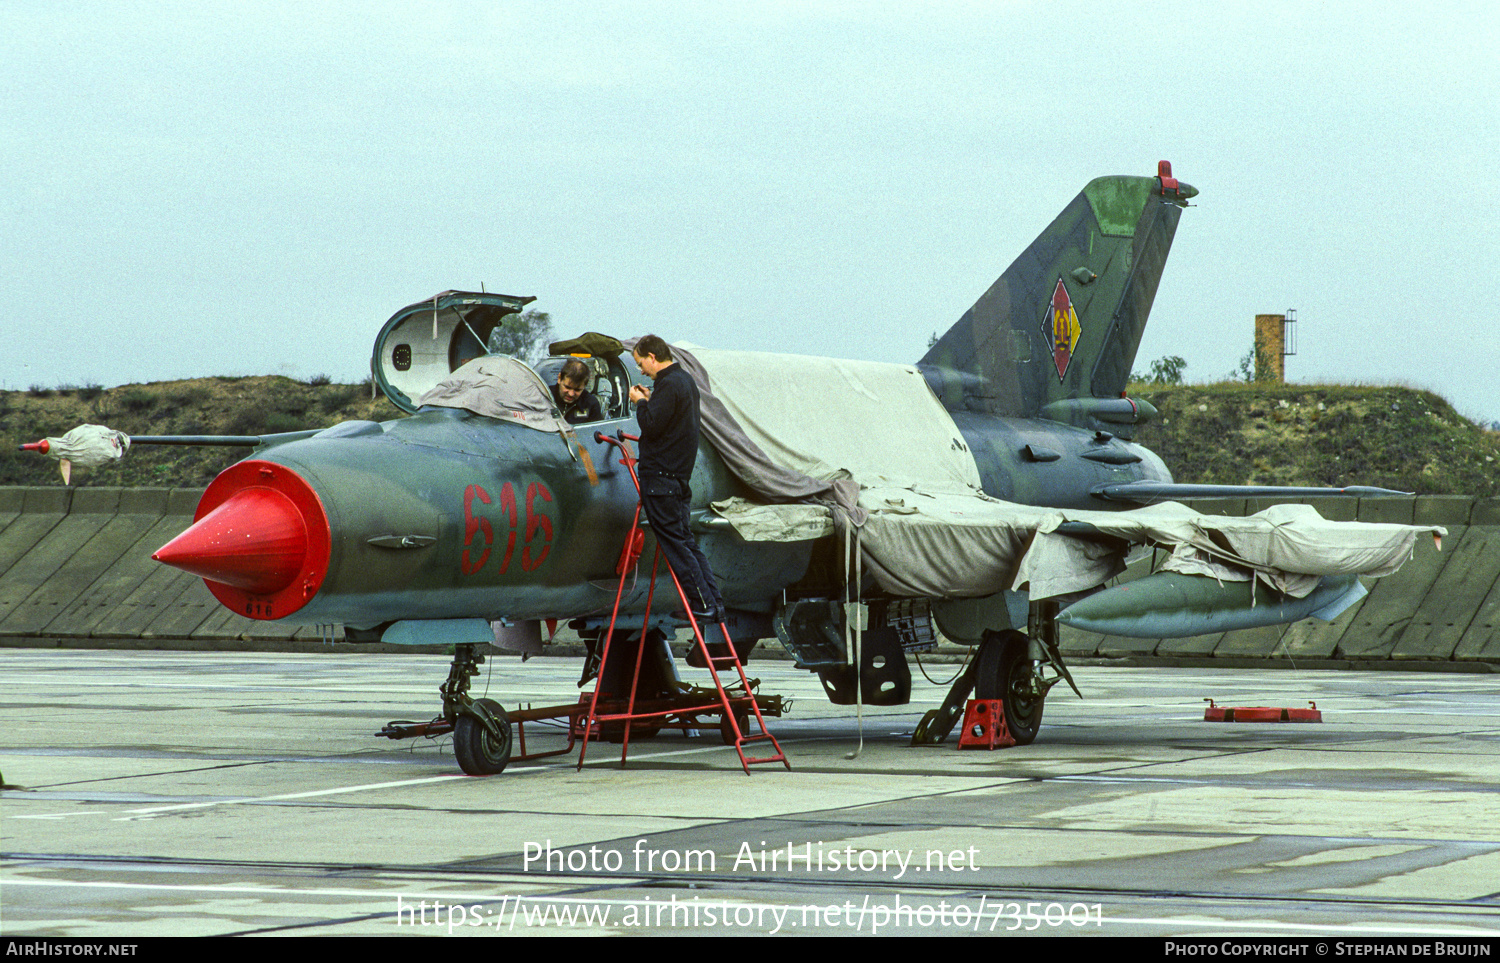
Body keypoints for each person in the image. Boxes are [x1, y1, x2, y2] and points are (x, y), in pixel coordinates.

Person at [629, 335, 724, 622]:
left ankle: (702, 605)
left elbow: (651, 425)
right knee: (687, 542)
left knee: (677, 546)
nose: (641, 370)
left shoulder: (669, 385)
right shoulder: (684, 381)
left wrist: (640, 403)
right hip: (678, 480)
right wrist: (651, 399)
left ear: (652, 356)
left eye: (640, 362)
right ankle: (714, 602)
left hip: (661, 480)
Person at [550, 357, 603, 425]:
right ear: (559, 378)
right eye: (567, 387)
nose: (571, 394)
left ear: (584, 386)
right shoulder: (545, 397)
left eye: (577, 390)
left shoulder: (591, 404)